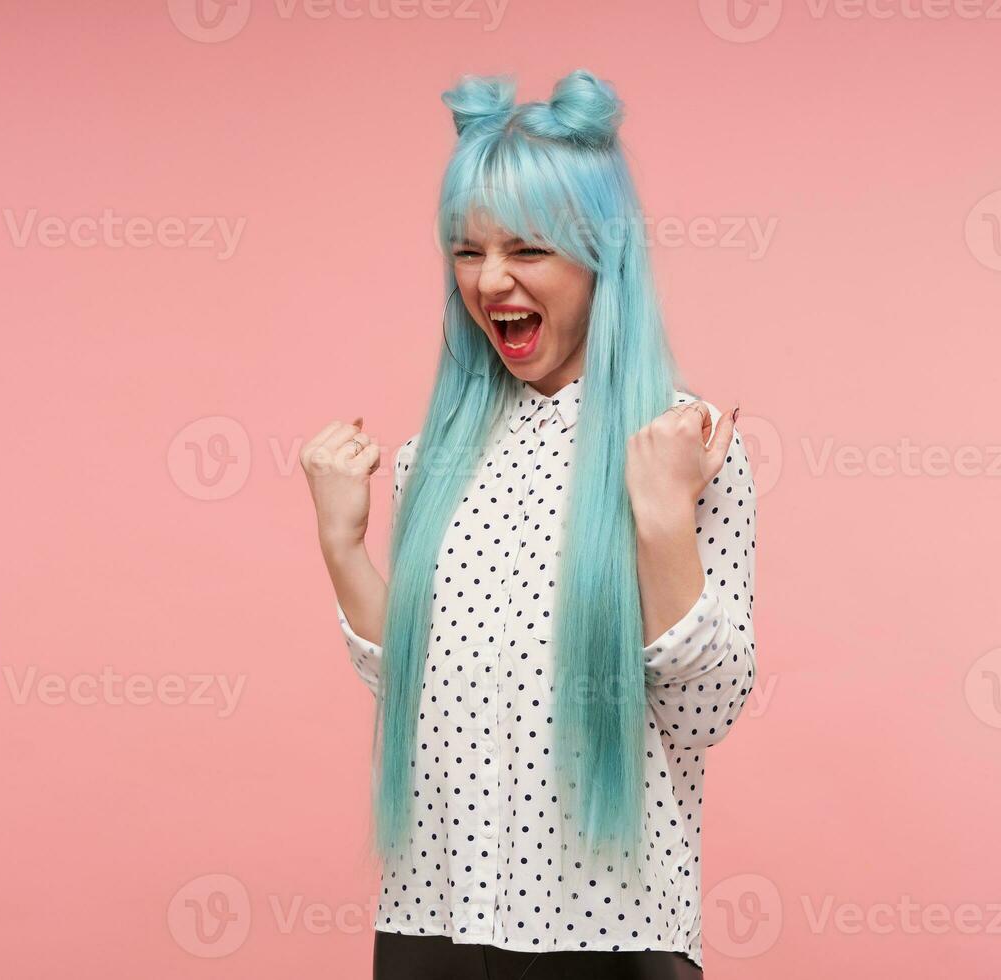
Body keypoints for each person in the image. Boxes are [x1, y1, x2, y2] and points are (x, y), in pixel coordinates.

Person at [302, 68, 758, 980]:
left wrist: (661, 519)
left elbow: (704, 714)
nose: (491, 280)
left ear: (601, 256)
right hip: (432, 916)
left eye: (528, 249)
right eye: (466, 252)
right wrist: (342, 546)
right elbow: (418, 695)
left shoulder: (682, 444)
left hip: (603, 931)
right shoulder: (439, 455)